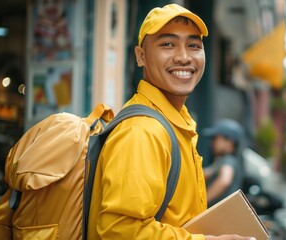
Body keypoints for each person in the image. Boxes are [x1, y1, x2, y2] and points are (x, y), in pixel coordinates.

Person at [87, 4, 255, 240]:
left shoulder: (174, 122)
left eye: (194, 45)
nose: (184, 57)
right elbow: (120, 231)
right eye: (168, 44)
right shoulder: (142, 132)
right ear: (141, 56)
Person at [203, 119, 245, 207]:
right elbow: (205, 173)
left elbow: (224, 180)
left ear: (229, 141)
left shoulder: (228, 160)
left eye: (215, 138)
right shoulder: (224, 161)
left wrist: (202, 202)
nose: (212, 143)